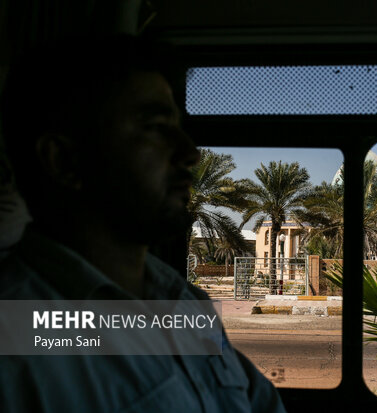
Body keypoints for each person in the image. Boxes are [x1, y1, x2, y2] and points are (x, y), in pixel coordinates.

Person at [0, 35, 287, 413]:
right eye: (154, 127)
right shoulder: (20, 334)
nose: (190, 152)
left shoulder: (184, 301)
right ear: (64, 160)